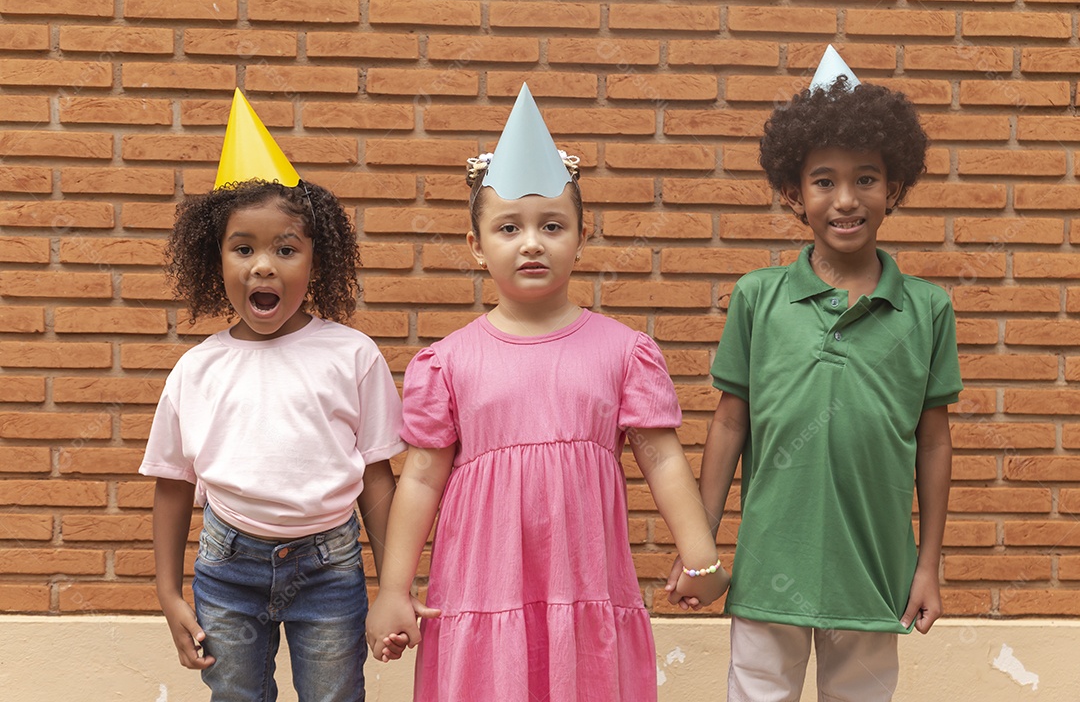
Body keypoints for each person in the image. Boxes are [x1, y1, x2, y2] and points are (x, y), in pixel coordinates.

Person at [364, 84, 729, 701]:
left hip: (584, 578)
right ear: (478, 247)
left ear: (581, 238)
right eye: (510, 227)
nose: (532, 241)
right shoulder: (447, 362)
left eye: (552, 225)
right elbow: (422, 478)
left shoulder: (623, 351)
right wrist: (394, 591)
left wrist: (702, 556)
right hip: (482, 585)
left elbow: (662, 457)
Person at [667, 46, 963, 701]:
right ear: (793, 194)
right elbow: (728, 423)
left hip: (875, 567)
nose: (846, 199)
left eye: (867, 178)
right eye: (824, 180)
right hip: (772, 563)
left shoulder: (928, 309)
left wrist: (928, 566)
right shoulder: (758, 298)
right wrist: (701, 548)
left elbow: (935, 442)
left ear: (895, 188)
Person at [140, 89, 406, 701]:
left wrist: (395, 585)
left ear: (318, 260)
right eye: (244, 248)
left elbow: (377, 476)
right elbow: (173, 482)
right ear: (218, 259)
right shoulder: (196, 370)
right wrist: (168, 593)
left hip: (331, 565)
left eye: (286, 249)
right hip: (226, 565)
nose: (264, 266)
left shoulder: (352, 354)